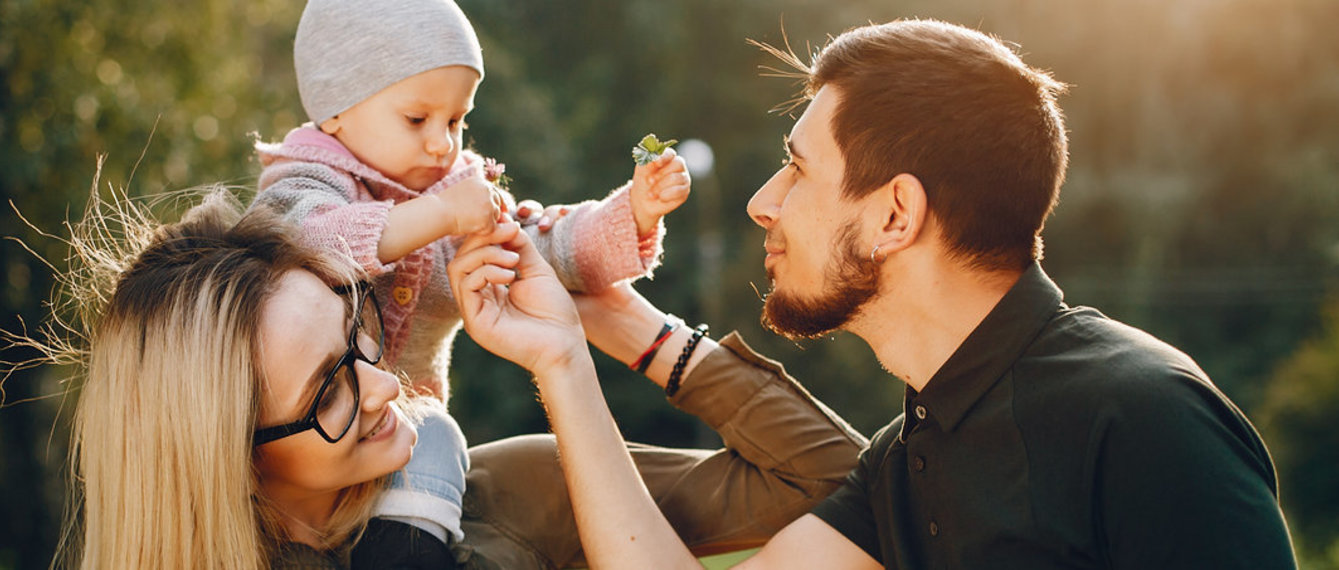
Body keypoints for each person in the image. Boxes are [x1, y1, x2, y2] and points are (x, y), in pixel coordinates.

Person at [448, 18, 1298, 569]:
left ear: (895, 213)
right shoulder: (908, 461)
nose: (761, 202)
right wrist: (564, 351)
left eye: (798, 168)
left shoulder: (1144, 415)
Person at [41, 190, 862, 569]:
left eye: (358, 333)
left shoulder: (500, 493)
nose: (383, 385)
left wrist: (599, 331)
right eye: (326, 391)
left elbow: (834, 486)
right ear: (227, 458)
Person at [250, 0, 690, 558]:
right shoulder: (305, 178)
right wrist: (439, 216)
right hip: (303, 445)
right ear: (336, 108)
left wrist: (633, 214)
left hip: (397, 440)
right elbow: (299, 240)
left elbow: (543, 249)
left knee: (437, 437)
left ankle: (406, 552)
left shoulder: (458, 193)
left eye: (457, 120)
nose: (443, 143)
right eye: (418, 119)